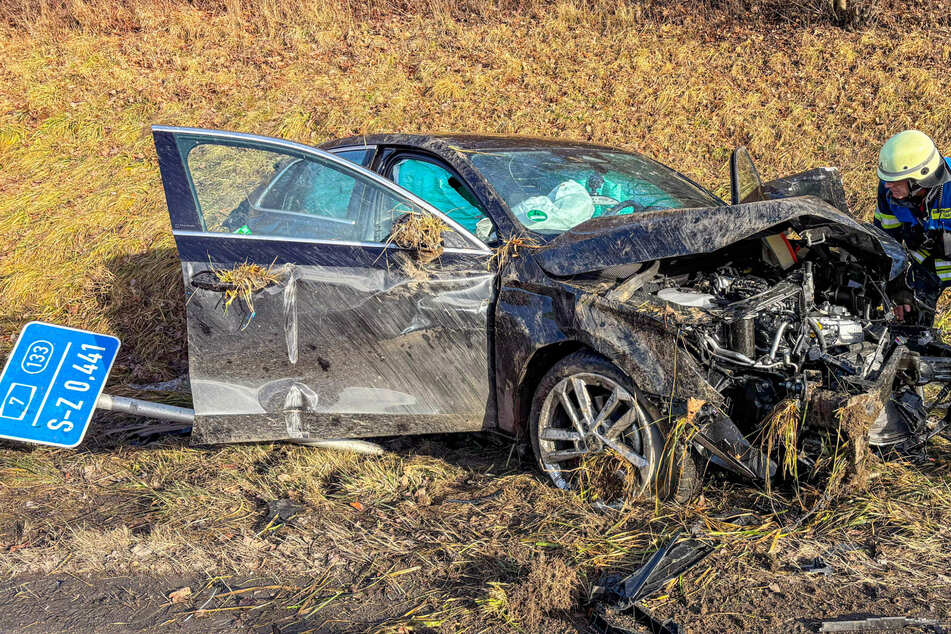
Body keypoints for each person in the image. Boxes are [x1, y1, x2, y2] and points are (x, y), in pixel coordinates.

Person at [874, 130, 951, 320]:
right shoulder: (889, 193)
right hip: (924, 271)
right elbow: (885, 242)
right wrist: (897, 286)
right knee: (911, 325)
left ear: (919, 179)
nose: (887, 186)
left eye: (894, 181)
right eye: (886, 180)